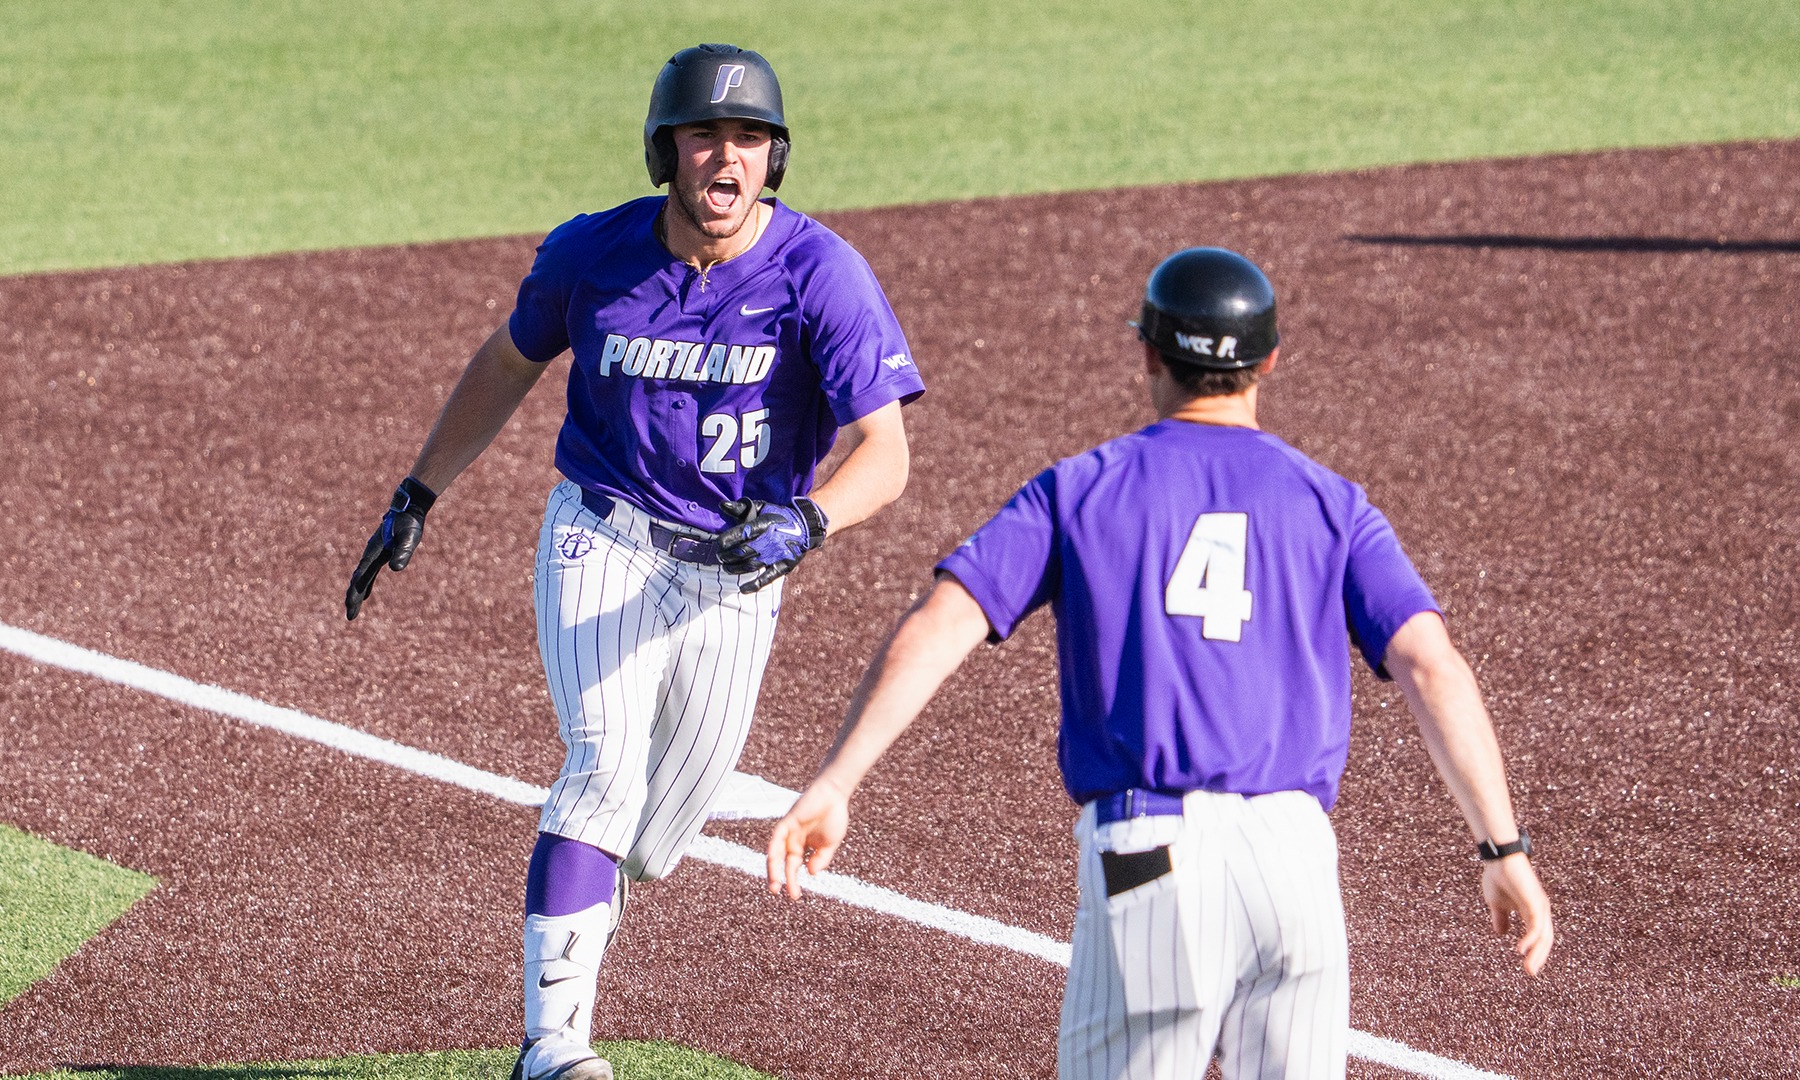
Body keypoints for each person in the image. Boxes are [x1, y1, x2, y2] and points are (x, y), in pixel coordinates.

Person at [767, 247, 1552, 1080]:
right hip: (1295, 860)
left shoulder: (1079, 489)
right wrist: (1502, 848)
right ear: (1270, 361)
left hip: (1150, 855)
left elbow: (938, 626)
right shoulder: (1332, 504)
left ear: (1147, 353)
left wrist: (835, 781)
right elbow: (1433, 666)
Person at [343, 44, 925, 1080]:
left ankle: (588, 905)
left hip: (736, 572)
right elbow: (509, 362)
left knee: (653, 844)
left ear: (774, 158)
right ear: (667, 152)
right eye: (705, 135)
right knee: (601, 776)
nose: (726, 157)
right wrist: (419, 488)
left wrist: (810, 520)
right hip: (600, 537)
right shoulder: (593, 253)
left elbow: (886, 454)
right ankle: (553, 1049)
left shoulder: (821, 273)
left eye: (749, 138)